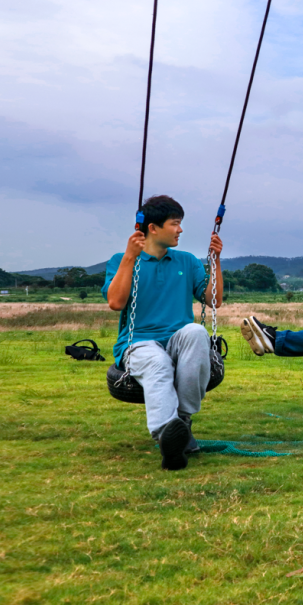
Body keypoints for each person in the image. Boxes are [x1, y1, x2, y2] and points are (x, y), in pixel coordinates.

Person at [103, 195, 223, 471]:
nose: (180, 230)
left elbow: (213, 301)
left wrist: (215, 261)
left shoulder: (187, 261)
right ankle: (167, 436)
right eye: (175, 224)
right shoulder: (121, 260)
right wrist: (130, 258)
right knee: (157, 362)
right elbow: (116, 303)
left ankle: (180, 423)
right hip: (138, 343)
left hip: (178, 340)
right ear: (153, 228)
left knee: (195, 331)